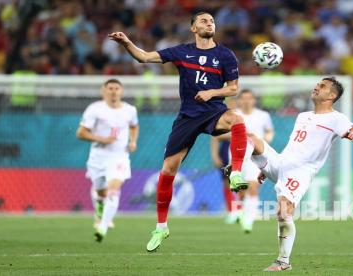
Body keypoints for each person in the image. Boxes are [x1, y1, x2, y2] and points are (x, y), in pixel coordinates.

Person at [108, 11, 249, 252]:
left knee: (237, 119)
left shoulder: (225, 55)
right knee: (168, 171)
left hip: (214, 111)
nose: (209, 23)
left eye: (212, 20)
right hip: (187, 117)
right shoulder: (181, 52)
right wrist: (126, 43)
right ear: (193, 28)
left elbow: (233, 89)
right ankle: (161, 227)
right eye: (203, 20)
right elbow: (143, 57)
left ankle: (235, 173)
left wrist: (212, 93)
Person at [228, 77, 353, 271]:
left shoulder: (337, 118)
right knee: (250, 137)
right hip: (282, 162)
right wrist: (265, 167)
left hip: (300, 171)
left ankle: (283, 261)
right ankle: (236, 171)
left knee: (283, 212)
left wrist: (352, 135)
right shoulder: (303, 116)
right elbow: (293, 147)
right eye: (317, 84)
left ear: (332, 95)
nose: (316, 87)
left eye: (322, 86)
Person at [76, 79, 139, 242]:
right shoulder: (95, 109)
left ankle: (103, 226)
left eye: (117, 88)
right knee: (101, 192)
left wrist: (133, 141)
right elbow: (81, 133)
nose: (113, 91)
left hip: (119, 156)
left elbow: (134, 125)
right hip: (98, 157)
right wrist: (101, 139)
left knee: (113, 189)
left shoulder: (130, 110)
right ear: (103, 91)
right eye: (110, 88)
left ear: (121, 91)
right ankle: (100, 210)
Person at [236, 89, 274, 233]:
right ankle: (241, 211)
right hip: (237, 154)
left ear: (254, 100)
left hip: (256, 155)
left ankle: (249, 219)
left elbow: (269, 130)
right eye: (243, 98)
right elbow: (221, 134)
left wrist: (266, 139)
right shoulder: (234, 115)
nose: (246, 101)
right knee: (241, 188)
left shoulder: (263, 115)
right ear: (239, 100)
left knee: (253, 185)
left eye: (249, 98)